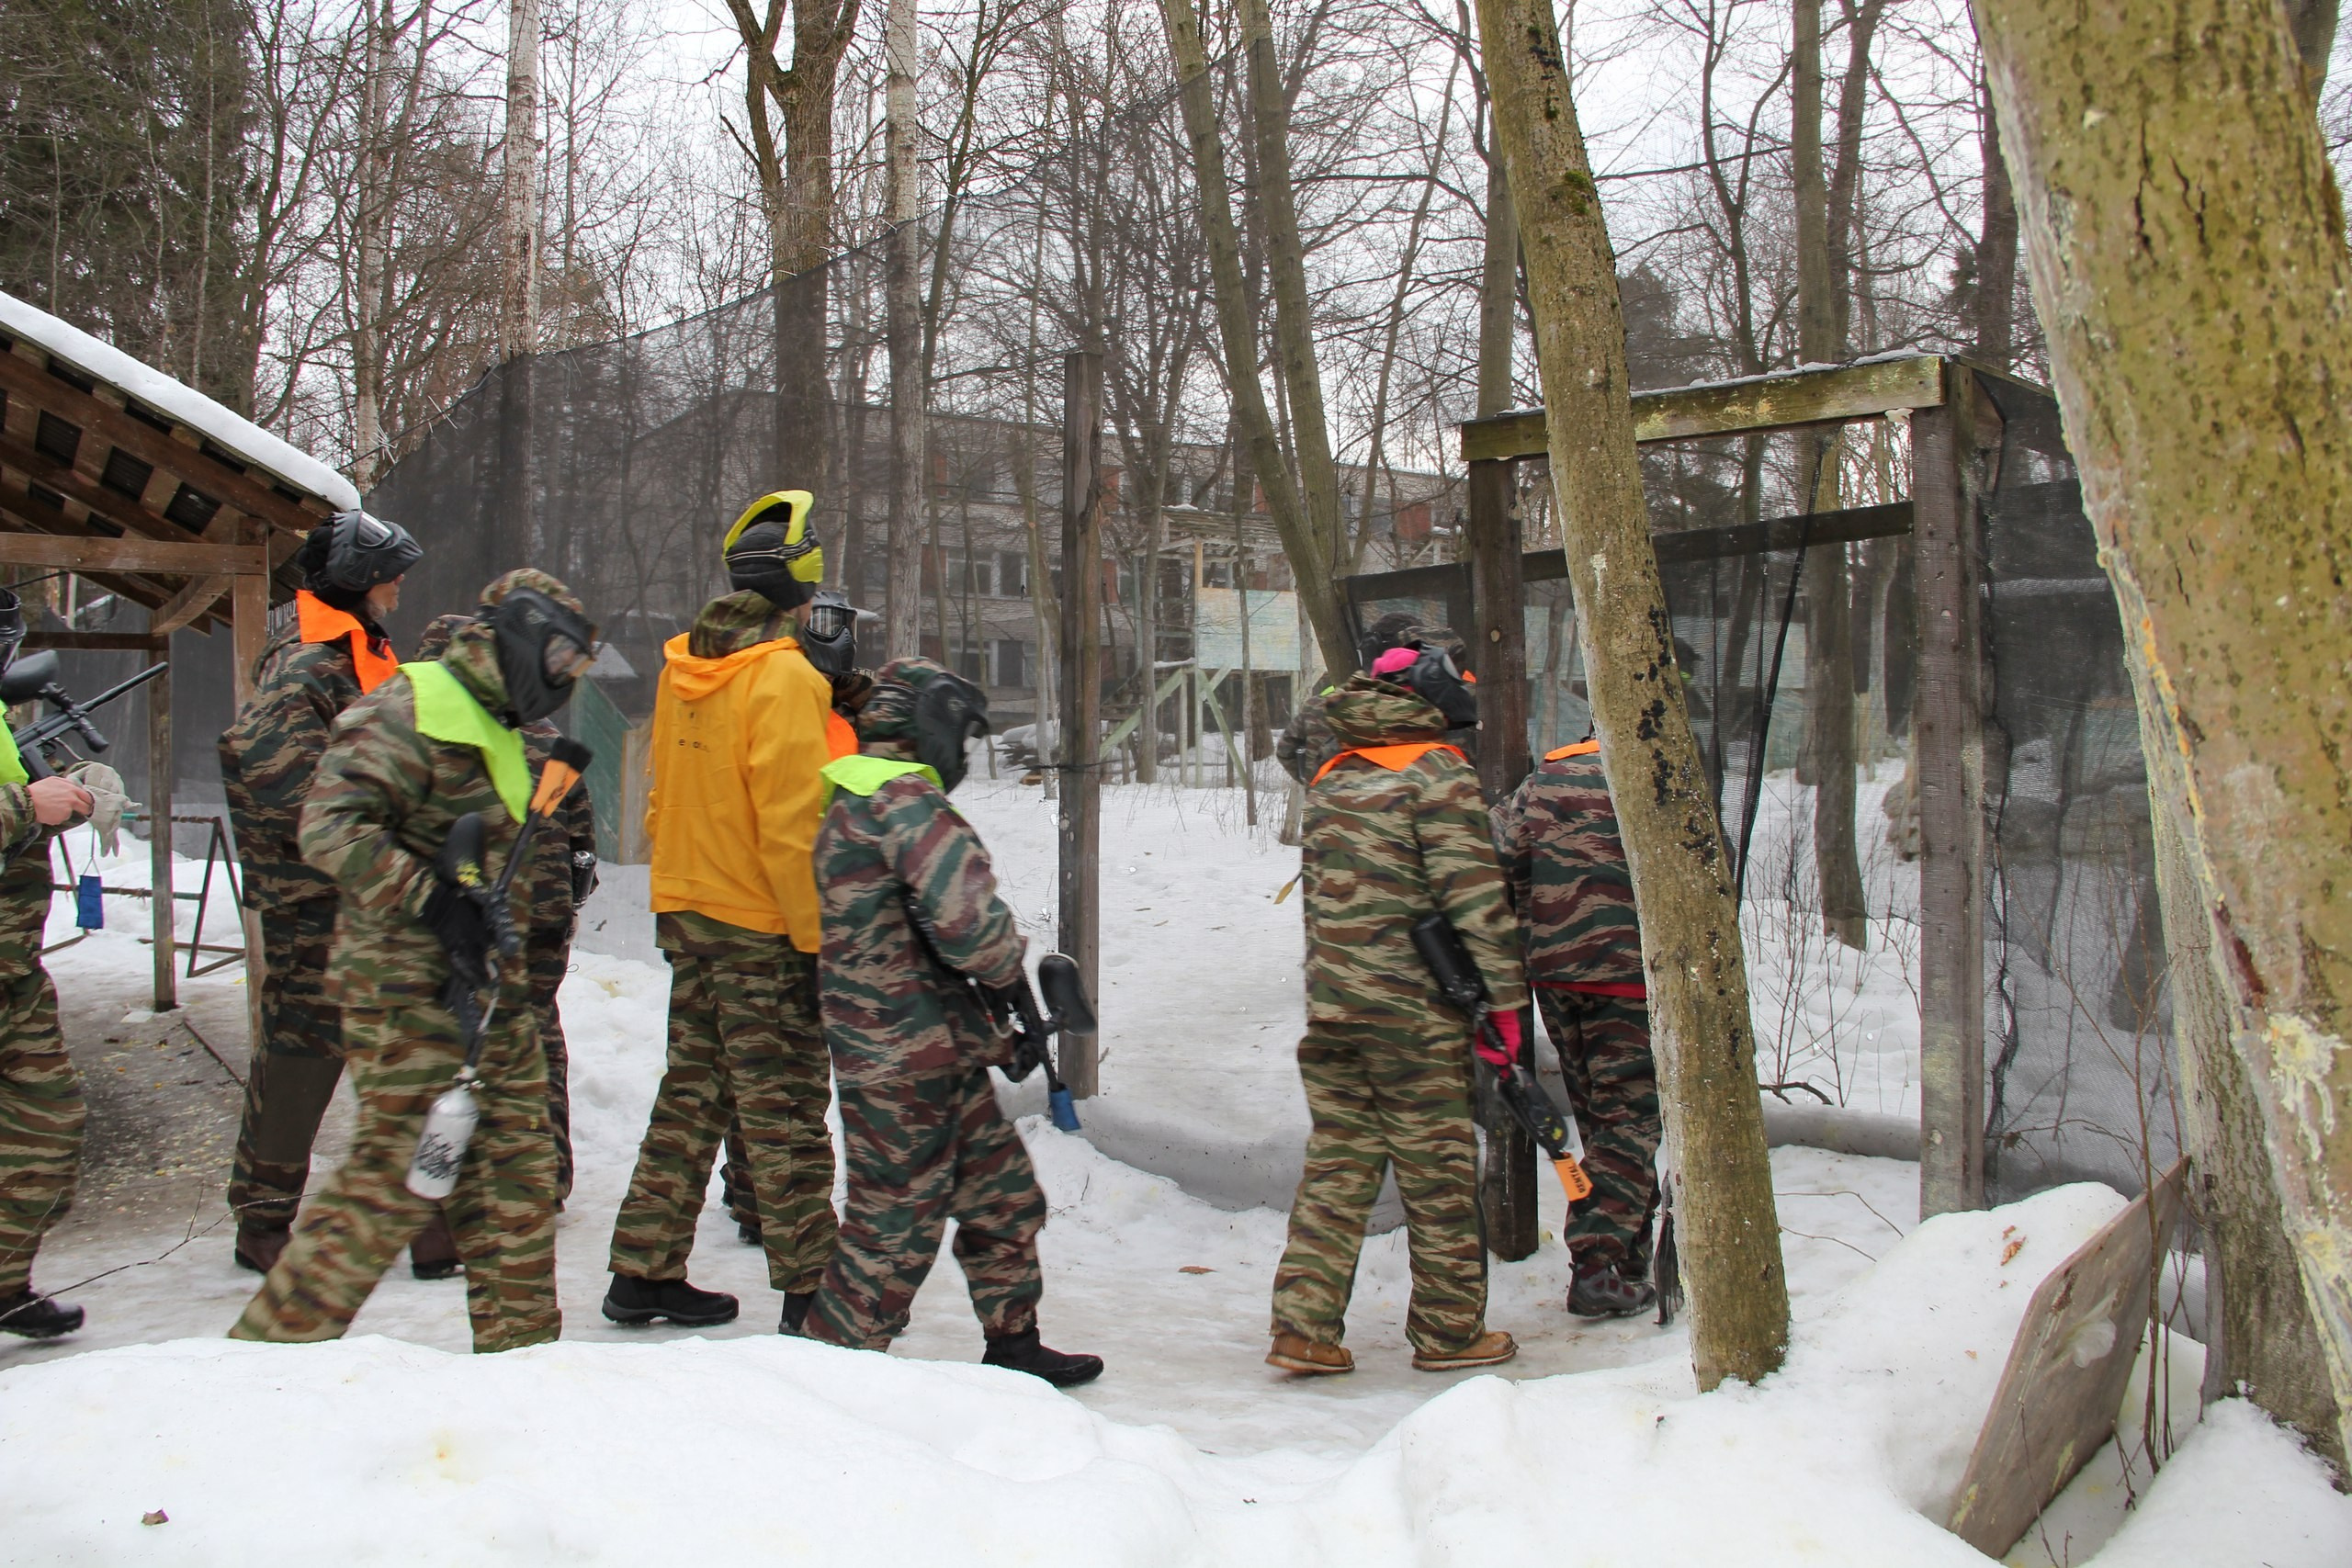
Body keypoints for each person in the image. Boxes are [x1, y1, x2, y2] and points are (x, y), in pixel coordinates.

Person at [228, 569, 597, 1352]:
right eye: (561, 661)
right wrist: (431, 899)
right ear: (524, 637)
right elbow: (329, 828)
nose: (565, 682)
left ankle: (523, 1367)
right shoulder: (409, 706)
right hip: (405, 993)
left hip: (485, 996)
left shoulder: (494, 719)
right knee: (393, 1179)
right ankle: (267, 1357)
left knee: (517, 1179)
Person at [797, 657, 1101, 1387]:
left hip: (929, 1049)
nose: (962, 754)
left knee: (1003, 1196)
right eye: (960, 736)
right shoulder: (903, 802)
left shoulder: (859, 795)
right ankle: (821, 1379)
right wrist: (1007, 974)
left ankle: (1014, 1342)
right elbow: (969, 926)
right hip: (905, 1059)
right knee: (892, 1226)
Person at [603, 491, 848, 1331]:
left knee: (695, 1091)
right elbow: (791, 823)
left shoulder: (685, 668)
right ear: (796, 586)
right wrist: (816, 937)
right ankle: (814, 1295)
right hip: (760, 928)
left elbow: (661, 797)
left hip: (688, 909)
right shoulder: (784, 676)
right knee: (782, 1108)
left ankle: (643, 1268)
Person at [1268, 645, 1524, 1376]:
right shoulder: (1437, 772)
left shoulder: (1333, 771)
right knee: (1439, 1172)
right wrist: (1504, 1005)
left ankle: (1302, 1325)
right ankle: (1449, 1332)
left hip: (1336, 1008)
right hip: (1413, 1017)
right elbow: (1475, 899)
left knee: (1339, 1165)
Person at [218, 512, 456, 1278]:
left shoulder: (355, 651)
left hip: (359, 888)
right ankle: (265, 1219)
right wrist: (362, 848)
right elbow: (265, 765)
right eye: (390, 572)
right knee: (305, 1054)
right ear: (356, 579)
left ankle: (421, 1219)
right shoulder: (313, 662)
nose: (399, 585)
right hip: (327, 895)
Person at [414, 613, 596, 1204]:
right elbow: (584, 844)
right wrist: (568, 902)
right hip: (545, 918)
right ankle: (552, 1173)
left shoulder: (459, 736)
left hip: (488, 916)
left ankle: (473, 1177)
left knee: (476, 1040)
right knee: (541, 1034)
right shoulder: (547, 737)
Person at [1492, 736, 1661, 1318]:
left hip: (1557, 976)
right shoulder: (1652, 770)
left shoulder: (1542, 779)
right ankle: (1597, 1262)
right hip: (1631, 976)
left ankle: (1630, 1255)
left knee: (1597, 1115)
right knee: (1633, 1118)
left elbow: (1498, 857)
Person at [0, 588, 96, 1338]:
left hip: (13, 971)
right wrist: (22, 806)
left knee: (49, 1123)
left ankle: (4, 1280)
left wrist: (70, 798)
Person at [1276, 615, 1470, 785]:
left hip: (1331, 820)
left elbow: (1286, 752)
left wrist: (1317, 784)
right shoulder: (1439, 706)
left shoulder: (1323, 704)